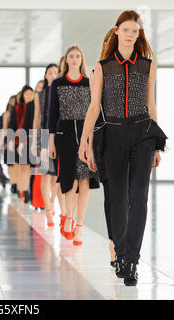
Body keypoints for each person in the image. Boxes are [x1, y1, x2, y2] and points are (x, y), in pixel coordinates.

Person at [78, 10, 167, 286]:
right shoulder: (103, 67)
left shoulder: (148, 65)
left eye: (135, 30)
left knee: (138, 196)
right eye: (126, 29)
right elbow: (94, 108)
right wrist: (85, 141)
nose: (131, 34)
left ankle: (131, 259)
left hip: (143, 134)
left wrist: (156, 146)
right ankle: (117, 248)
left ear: (139, 34)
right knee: (117, 198)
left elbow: (151, 104)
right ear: (116, 31)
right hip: (113, 135)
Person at [48, 45, 100, 246]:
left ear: (81, 59)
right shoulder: (58, 83)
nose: (75, 59)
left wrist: (94, 138)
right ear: (66, 60)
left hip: (86, 134)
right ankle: (68, 215)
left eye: (78, 56)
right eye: (71, 56)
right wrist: (50, 140)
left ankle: (79, 227)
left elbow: (95, 110)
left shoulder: (89, 83)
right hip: (64, 134)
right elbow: (52, 114)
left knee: (84, 180)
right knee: (69, 179)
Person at [89, 28, 117, 266]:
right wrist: (88, 143)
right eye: (109, 40)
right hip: (103, 138)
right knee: (111, 194)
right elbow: (93, 110)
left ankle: (124, 242)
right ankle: (113, 242)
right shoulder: (97, 72)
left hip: (126, 136)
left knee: (129, 194)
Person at [32, 64, 59, 226]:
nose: (53, 75)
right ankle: (48, 210)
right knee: (45, 173)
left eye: (56, 72)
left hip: (57, 134)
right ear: (45, 75)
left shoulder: (60, 91)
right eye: (50, 72)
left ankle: (51, 201)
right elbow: (37, 117)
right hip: (43, 133)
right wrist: (34, 139)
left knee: (55, 174)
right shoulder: (40, 94)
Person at [0, 96, 18, 194]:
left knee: (17, 164)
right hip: (9, 140)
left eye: (15, 100)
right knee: (10, 164)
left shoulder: (19, 112)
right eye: (11, 101)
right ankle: (13, 184)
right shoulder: (7, 114)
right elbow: (4, 129)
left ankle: (17, 184)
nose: (13, 102)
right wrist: (2, 142)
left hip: (18, 140)